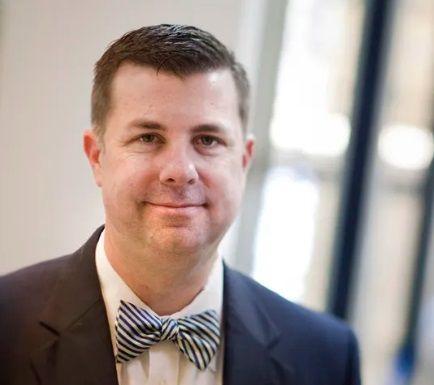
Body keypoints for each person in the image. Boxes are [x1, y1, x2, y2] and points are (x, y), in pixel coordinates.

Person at [0, 24, 361, 385]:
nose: (179, 171)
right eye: (148, 137)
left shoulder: (325, 355)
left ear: (244, 160)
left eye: (207, 139)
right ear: (97, 157)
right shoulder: (7, 323)